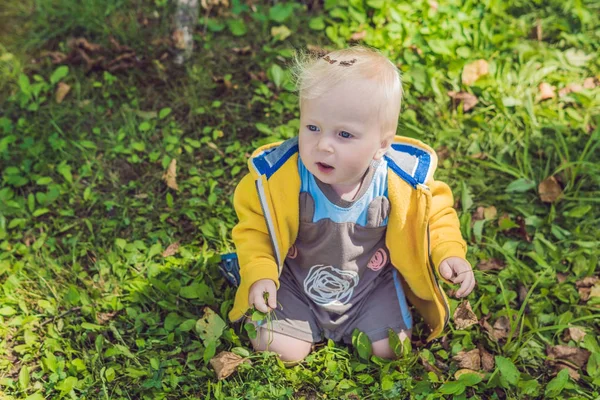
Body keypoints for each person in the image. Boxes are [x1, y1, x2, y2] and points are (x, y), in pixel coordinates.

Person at [227, 46, 475, 362]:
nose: (323, 145)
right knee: (281, 351)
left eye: (344, 134)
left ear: (381, 145)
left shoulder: (401, 182)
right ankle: (260, 292)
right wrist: (260, 270)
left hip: (369, 285)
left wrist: (448, 252)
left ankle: (371, 318)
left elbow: (436, 218)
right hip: (295, 280)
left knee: (390, 350)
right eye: (312, 127)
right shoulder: (279, 179)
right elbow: (255, 227)